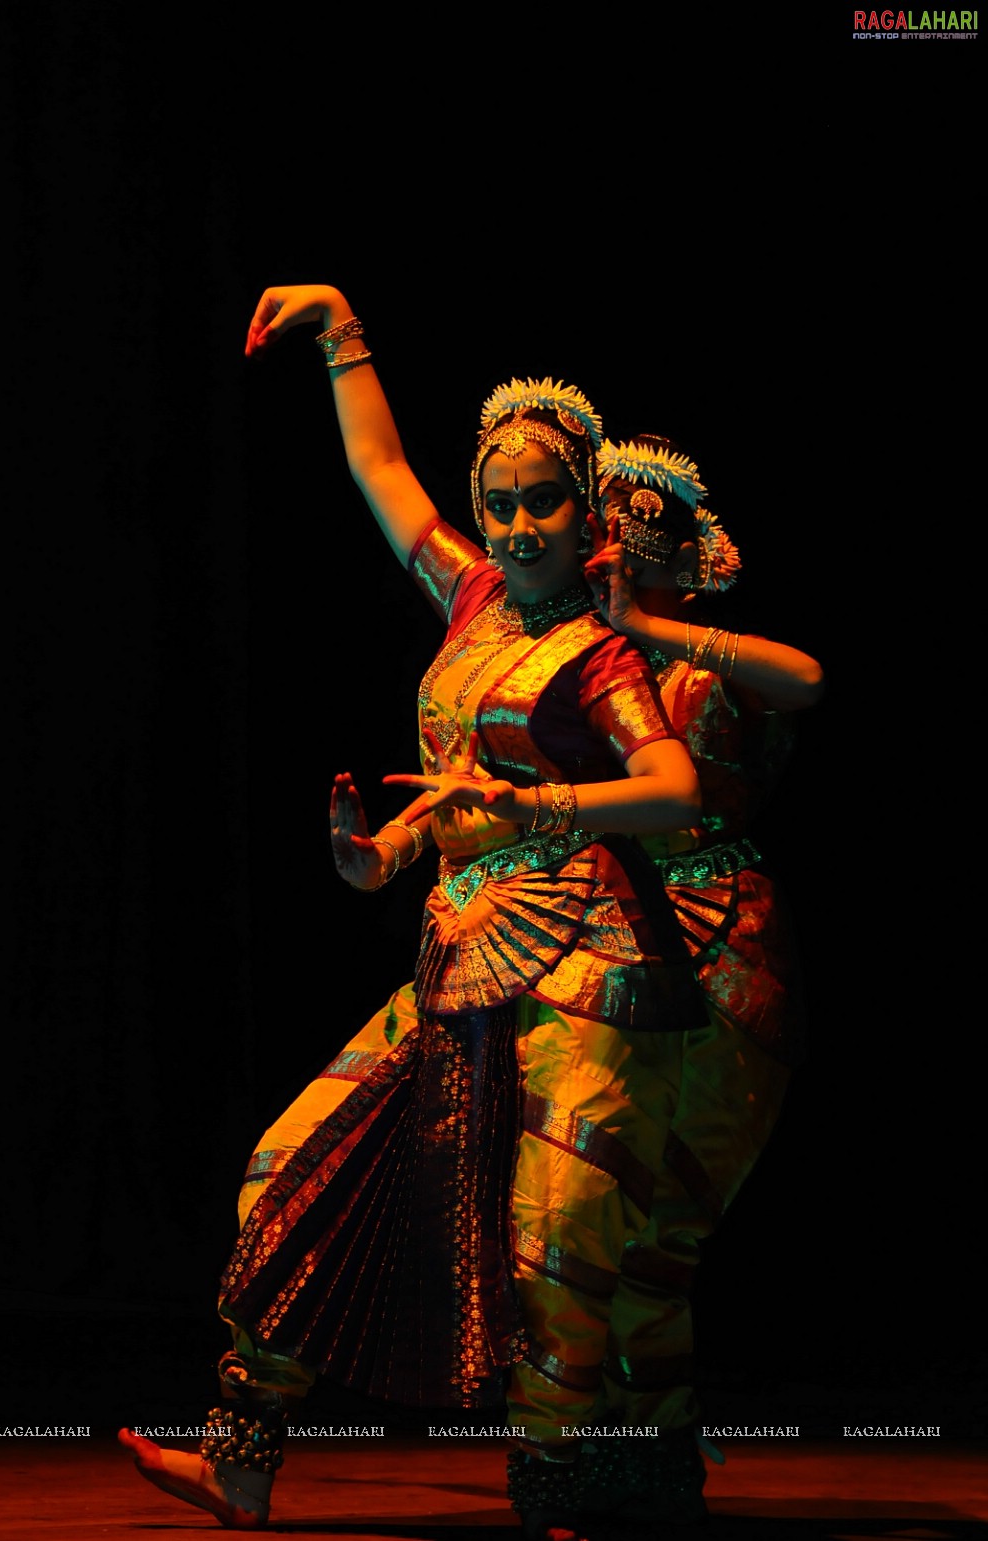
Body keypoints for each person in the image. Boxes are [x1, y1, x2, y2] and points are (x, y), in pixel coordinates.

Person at [120, 289, 712, 1536]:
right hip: (458, 949)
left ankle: (556, 1498)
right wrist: (341, 329)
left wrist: (532, 801)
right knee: (290, 1167)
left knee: (556, 1243)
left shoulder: (598, 651)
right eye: (495, 501)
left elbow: (672, 786)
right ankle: (242, 1458)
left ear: (587, 510)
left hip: (585, 959)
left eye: (539, 500)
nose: (511, 525)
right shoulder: (471, 597)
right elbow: (379, 467)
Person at [583, 433, 824, 1459]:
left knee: (661, 1232)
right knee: (592, 1212)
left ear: (687, 565)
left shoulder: (710, 663)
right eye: (609, 549)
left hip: (729, 951)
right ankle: (631, 1445)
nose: (617, 566)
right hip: (615, 942)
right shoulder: (592, 670)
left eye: (641, 554)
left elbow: (808, 677)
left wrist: (655, 629)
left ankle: (654, 1452)